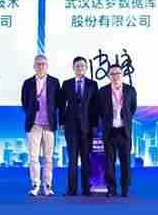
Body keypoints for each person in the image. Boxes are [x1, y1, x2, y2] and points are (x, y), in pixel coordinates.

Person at [20, 54, 61, 196]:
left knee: (48, 158)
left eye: (43, 64)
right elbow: (24, 102)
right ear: (34, 66)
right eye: (38, 64)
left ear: (47, 66)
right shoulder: (28, 83)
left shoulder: (54, 82)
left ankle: (47, 186)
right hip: (34, 125)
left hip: (49, 125)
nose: (41, 66)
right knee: (33, 157)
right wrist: (32, 113)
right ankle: (35, 185)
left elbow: (59, 103)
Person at [59, 56, 99, 196]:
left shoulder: (93, 84)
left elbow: (95, 106)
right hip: (70, 127)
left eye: (82, 65)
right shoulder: (66, 84)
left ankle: (87, 189)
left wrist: (94, 125)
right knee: (72, 160)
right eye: (77, 66)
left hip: (87, 127)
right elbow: (61, 105)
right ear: (73, 68)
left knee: (86, 159)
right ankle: (72, 190)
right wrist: (61, 122)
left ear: (86, 68)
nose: (80, 68)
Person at [96, 64, 137, 197]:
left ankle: (125, 189)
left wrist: (124, 119)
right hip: (110, 131)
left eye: (118, 73)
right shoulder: (102, 91)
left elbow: (132, 108)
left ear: (122, 74)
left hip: (124, 131)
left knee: (126, 162)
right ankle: (111, 189)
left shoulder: (130, 90)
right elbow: (99, 110)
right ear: (109, 76)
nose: (115, 76)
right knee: (109, 162)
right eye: (112, 74)